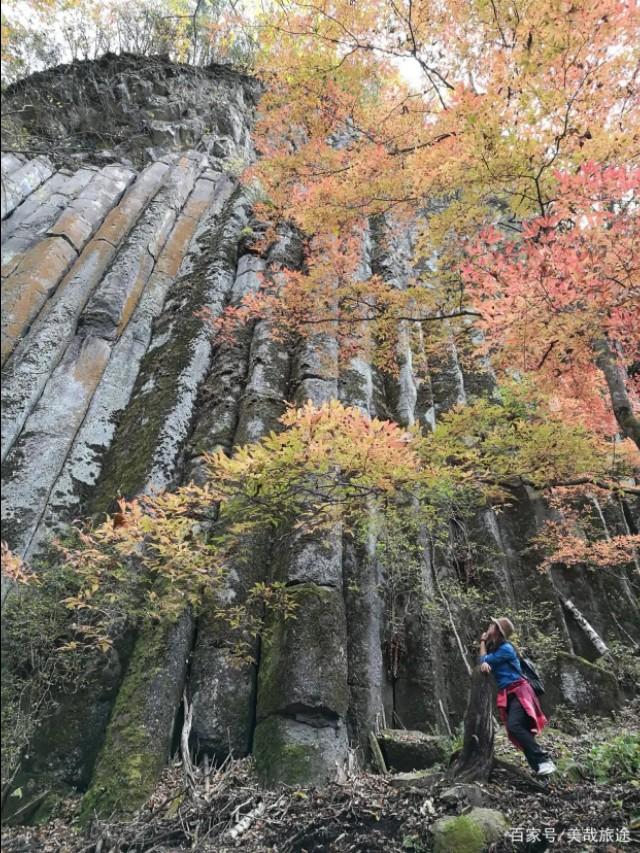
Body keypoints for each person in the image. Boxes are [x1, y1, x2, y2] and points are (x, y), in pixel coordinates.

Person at [479, 616, 556, 776]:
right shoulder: (496, 647)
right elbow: (484, 662)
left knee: (514, 726)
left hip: (520, 691)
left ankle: (544, 760)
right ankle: (539, 767)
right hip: (509, 694)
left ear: (498, 631)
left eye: (493, 625)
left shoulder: (505, 649)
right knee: (517, 731)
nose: (490, 625)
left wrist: (482, 643)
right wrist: (485, 656)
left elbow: (484, 660)